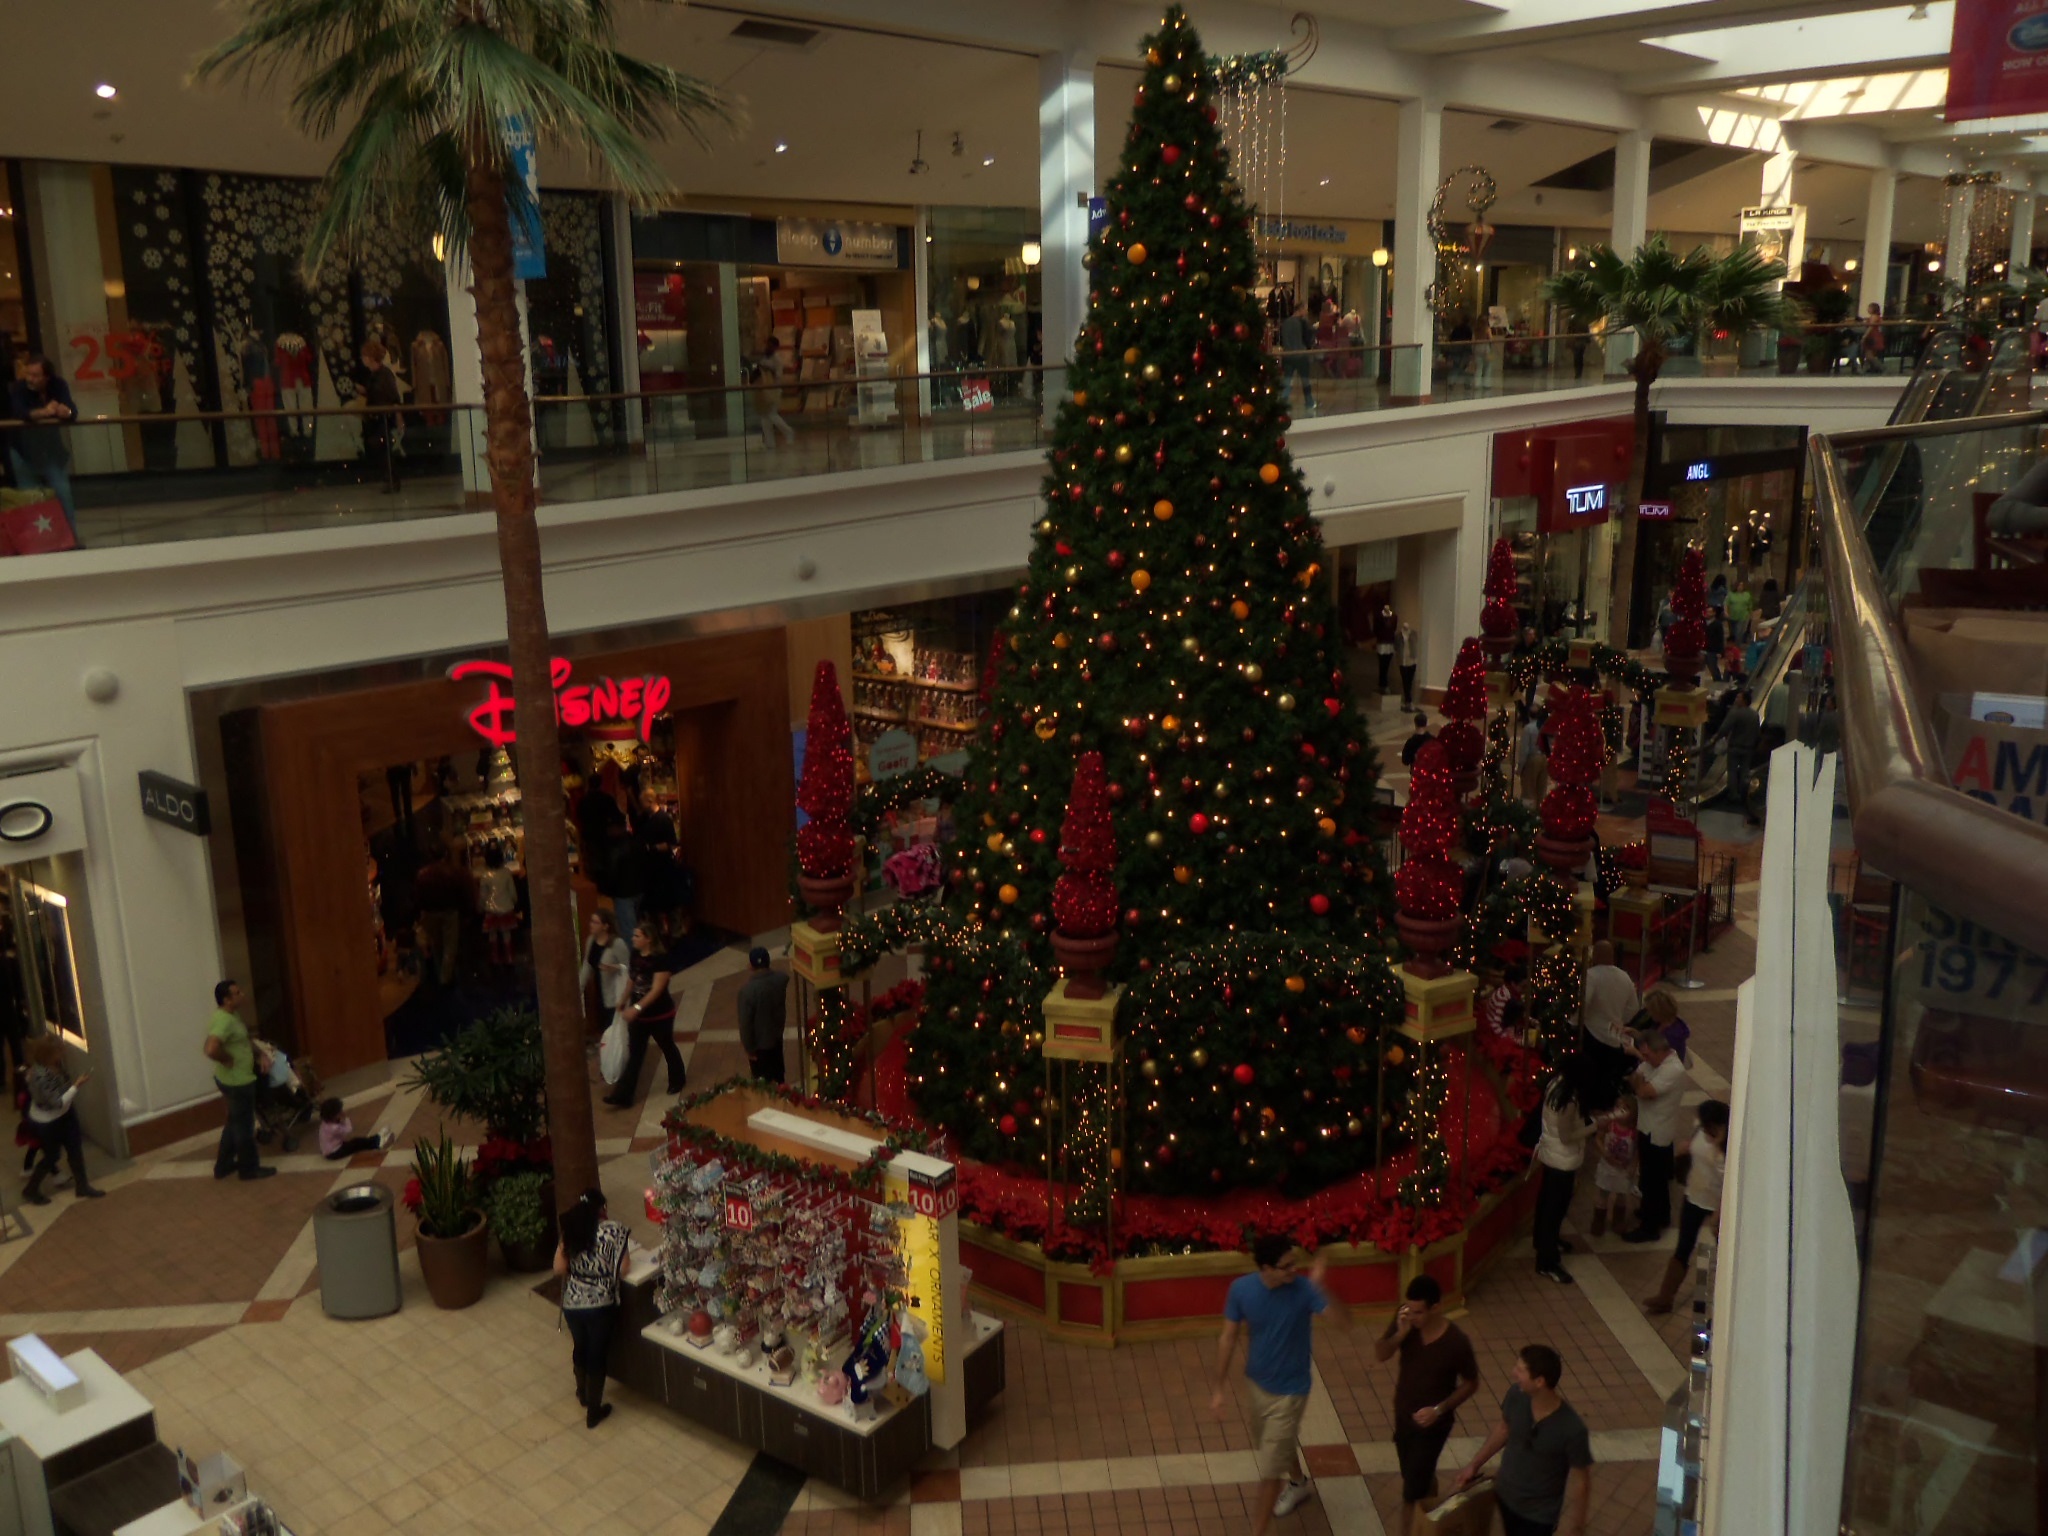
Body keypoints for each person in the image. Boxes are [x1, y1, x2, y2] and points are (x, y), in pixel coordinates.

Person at [1210, 1234, 1352, 1533]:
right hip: (1258, 1385)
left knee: (1270, 1471)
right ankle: (1299, 1483)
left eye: (1294, 1264)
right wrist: (1219, 1388)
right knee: (1274, 1445)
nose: (1293, 1271)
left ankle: (1257, 1531)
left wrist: (1321, 1286)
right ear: (1266, 1268)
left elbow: (1344, 1323)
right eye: (1286, 1266)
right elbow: (1228, 1337)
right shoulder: (1241, 1289)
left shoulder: (1304, 1289)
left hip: (1292, 1391)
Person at [1374, 1275, 1480, 1532]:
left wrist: (1439, 1410)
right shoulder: (1405, 1321)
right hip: (1404, 1416)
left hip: (1433, 1427)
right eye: (1410, 1310)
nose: (1413, 1317)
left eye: (1419, 1312)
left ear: (1436, 1308)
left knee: (1410, 1493)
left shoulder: (1456, 1342)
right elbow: (1380, 1353)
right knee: (1414, 1476)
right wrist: (1399, 1335)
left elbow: (1471, 1383)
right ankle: (1429, 1494)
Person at [1453, 1345, 1594, 1536]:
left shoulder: (1572, 1429)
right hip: (1505, 1497)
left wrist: (1576, 1527)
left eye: (1520, 1370)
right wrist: (1474, 1464)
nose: (1513, 1373)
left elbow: (1581, 1482)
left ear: (1539, 1381)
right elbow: (1504, 1429)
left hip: (1538, 1515)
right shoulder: (1516, 1395)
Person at [555, 1188, 631, 1428]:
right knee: (597, 1354)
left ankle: (583, 1394)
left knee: (580, 1346)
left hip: (573, 1303)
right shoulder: (615, 1231)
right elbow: (624, 1269)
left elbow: (558, 1268)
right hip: (601, 1305)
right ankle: (594, 1411)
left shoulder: (572, 1229)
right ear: (603, 1209)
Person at [1646, 1099, 1729, 1314]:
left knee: (1726, 1252)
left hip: (1718, 1204)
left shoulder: (1729, 1147)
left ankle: (1727, 1301)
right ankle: (1665, 1297)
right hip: (1693, 1197)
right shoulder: (1699, 1131)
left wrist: (1719, 1213)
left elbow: (1729, 1182)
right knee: (1683, 1246)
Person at [1532, 1061, 1606, 1285]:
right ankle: (1547, 1261)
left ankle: (1545, 1240)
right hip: (1561, 1160)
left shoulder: (1556, 1084)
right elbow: (1566, 1136)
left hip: (1552, 1154)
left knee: (1547, 1203)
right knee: (1554, 1209)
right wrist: (1594, 1125)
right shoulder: (1568, 1101)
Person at [603, 919, 685, 1109]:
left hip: (660, 1015)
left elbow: (656, 990)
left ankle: (677, 1079)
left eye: (637, 936)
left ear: (648, 939)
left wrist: (636, 1008)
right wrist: (623, 1000)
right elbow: (632, 980)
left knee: (667, 1046)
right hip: (639, 1017)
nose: (633, 939)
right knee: (636, 1054)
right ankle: (623, 1096)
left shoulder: (661, 960)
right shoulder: (635, 955)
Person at [1622, 1026, 1688, 1243]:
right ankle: (1661, 1214)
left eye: (1648, 1054)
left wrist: (1640, 1084)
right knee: (1654, 1179)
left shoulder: (1673, 1069)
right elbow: (1635, 1078)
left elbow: (1643, 1091)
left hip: (1658, 1131)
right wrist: (1640, 1082)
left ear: (1660, 1050)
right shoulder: (1654, 1063)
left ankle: (1650, 1228)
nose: (1645, 1059)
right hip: (1647, 1126)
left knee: (1652, 1181)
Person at [204, 980, 275, 1182]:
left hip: (237, 1079)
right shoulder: (223, 1020)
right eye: (237, 993)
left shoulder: (231, 1015)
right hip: (237, 1082)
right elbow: (210, 1048)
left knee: (234, 1122)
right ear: (226, 1000)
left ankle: (224, 1165)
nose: (242, 994)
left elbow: (244, 1040)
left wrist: (260, 1054)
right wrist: (226, 1059)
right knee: (244, 1127)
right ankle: (249, 1169)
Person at [21, 1036, 103, 1204]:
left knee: (75, 1149)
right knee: (51, 1156)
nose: (64, 1052)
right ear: (49, 1055)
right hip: (49, 1121)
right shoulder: (41, 1076)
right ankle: (30, 1190)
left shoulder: (54, 1065)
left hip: (64, 1115)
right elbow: (56, 1103)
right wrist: (76, 1085)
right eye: (60, 1050)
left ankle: (82, 1186)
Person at [7, 356, 80, 540]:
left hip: (50, 451)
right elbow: (20, 412)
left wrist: (65, 411)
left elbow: (71, 409)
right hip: (23, 451)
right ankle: (36, 541)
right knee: (30, 497)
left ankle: (70, 538)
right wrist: (45, 412)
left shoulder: (58, 385)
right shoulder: (19, 388)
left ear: (47, 377)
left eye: (36, 375)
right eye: (29, 374)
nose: (30, 379)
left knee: (62, 492)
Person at [1577, 941, 1640, 1103]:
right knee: (1608, 1077)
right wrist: (1620, 1020)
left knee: (1591, 1077)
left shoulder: (1591, 975)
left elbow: (1583, 1004)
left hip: (1593, 1033)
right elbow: (1634, 1006)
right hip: (1614, 1035)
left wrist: (1575, 1022)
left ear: (1595, 955)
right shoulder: (1624, 976)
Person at [353, 340, 404, 492]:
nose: (363, 359)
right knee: (380, 450)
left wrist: (398, 416)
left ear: (370, 357)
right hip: (375, 419)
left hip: (382, 418)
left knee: (384, 451)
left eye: (364, 356)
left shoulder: (384, 375)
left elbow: (393, 397)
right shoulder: (375, 375)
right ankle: (389, 479)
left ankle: (392, 480)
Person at [737, 946, 789, 1084]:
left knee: (762, 1084)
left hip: (760, 1046)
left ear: (751, 966)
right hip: (777, 1038)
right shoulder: (781, 980)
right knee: (779, 1077)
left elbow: (745, 1024)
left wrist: (749, 1048)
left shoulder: (747, 992)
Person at [1710, 688, 1762, 823]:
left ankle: (1733, 795)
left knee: (1732, 770)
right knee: (1745, 770)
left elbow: (1724, 728)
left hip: (1735, 746)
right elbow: (1757, 732)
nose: (1736, 699)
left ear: (1744, 700)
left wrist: (1715, 738)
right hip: (1748, 747)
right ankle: (1745, 793)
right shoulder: (1754, 715)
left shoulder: (1735, 713)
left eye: (1738, 698)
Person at [578, 910, 631, 1042]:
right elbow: (588, 964)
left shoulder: (617, 944)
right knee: (604, 1028)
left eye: (595, 922)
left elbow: (629, 967)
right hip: (599, 992)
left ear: (605, 926)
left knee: (615, 1031)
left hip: (615, 994)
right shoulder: (591, 941)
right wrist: (579, 987)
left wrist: (615, 967)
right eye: (591, 921)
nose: (591, 925)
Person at [1590, 1095, 1638, 1239]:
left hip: (1623, 1169)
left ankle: (1618, 1220)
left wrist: (1633, 1166)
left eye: (1624, 1108)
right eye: (1618, 1107)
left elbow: (1636, 1151)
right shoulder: (1609, 1125)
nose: (1620, 1111)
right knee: (1603, 1193)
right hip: (1607, 1166)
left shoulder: (1633, 1131)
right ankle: (1599, 1220)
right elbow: (1598, 1139)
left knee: (1621, 1195)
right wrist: (1604, 1153)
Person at [478, 842, 521, 966]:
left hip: (491, 910)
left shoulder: (485, 876)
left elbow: (483, 896)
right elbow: (512, 892)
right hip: (506, 908)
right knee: (506, 933)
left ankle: (495, 957)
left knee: (492, 934)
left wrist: (481, 907)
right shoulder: (506, 873)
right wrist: (514, 901)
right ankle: (509, 957)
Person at [754, 335, 796, 448]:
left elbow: (778, 375)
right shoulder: (764, 358)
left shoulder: (777, 360)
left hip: (774, 390)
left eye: (770, 345)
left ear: (775, 347)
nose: (767, 347)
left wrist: (767, 369)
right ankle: (770, 442)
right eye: (767, 344)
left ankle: (788, 431)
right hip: (764, 389)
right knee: (764, 417)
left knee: (771, 414)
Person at [317, 1098, 392, 1160]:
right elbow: (348, 1130)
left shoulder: (326, 1122)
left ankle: (377, 1138)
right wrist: (345, 1119)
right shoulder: (334, 1128)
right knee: (356, 1144)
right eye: (339, 1112)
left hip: (334, 1147)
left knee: (356, 1142)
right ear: (333, 1115)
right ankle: (377, 1142)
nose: (342, 1112)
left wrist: (340, 1120)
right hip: (334, 1153)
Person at [1278, 296, 1316, 415]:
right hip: (1301, 355)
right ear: (1300, 309)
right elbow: (1308, 339)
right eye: (1305, 309)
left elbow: (1282, 339)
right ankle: (1309, 401)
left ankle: (1283, 402)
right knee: (1305, 380)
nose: (1306, 311)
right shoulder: (1303, 323)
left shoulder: (1286, 323)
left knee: (1287, 380)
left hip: (1288, 355)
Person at [1637, 988, 1691, 1066]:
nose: (1649, 1014)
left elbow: (1656, 1062)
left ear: (1658, 1011)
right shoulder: (1660, 1023)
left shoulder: (1672, 1036)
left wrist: (1636, 1053)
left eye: (1651, 1011)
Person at [1516, 707, 1549, 805]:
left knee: (1528, 793)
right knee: (1541, 792)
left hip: (1532, 760)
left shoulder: (1528, 729)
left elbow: (1524, 750)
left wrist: (1520, 768)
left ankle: (1528, 815)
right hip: (1545, 759)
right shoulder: (1545, 727)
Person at [1396, 622, 1419, 708]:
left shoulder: (1413, 634)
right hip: (1403, 660)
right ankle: (1408, 700)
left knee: (1410, 681)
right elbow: (1396, 646)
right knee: (1405, 681)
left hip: (1412, 660)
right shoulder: (1398, 635)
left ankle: (1408, 700)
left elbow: (1415, 643)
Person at [1724, 577, 1754, 644]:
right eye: (1739, 585)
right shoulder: (1731, 594)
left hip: (1743, 616)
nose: (1740, 587)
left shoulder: (1747, 595)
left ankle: (1737, 645)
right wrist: (1726, 612)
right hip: (1732, 616)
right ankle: (1733, 644)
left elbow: (1750, 606)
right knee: (1733, 632)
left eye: (1742, 585)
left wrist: (1751, 615)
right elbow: (1726, 603)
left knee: (1739, 631)